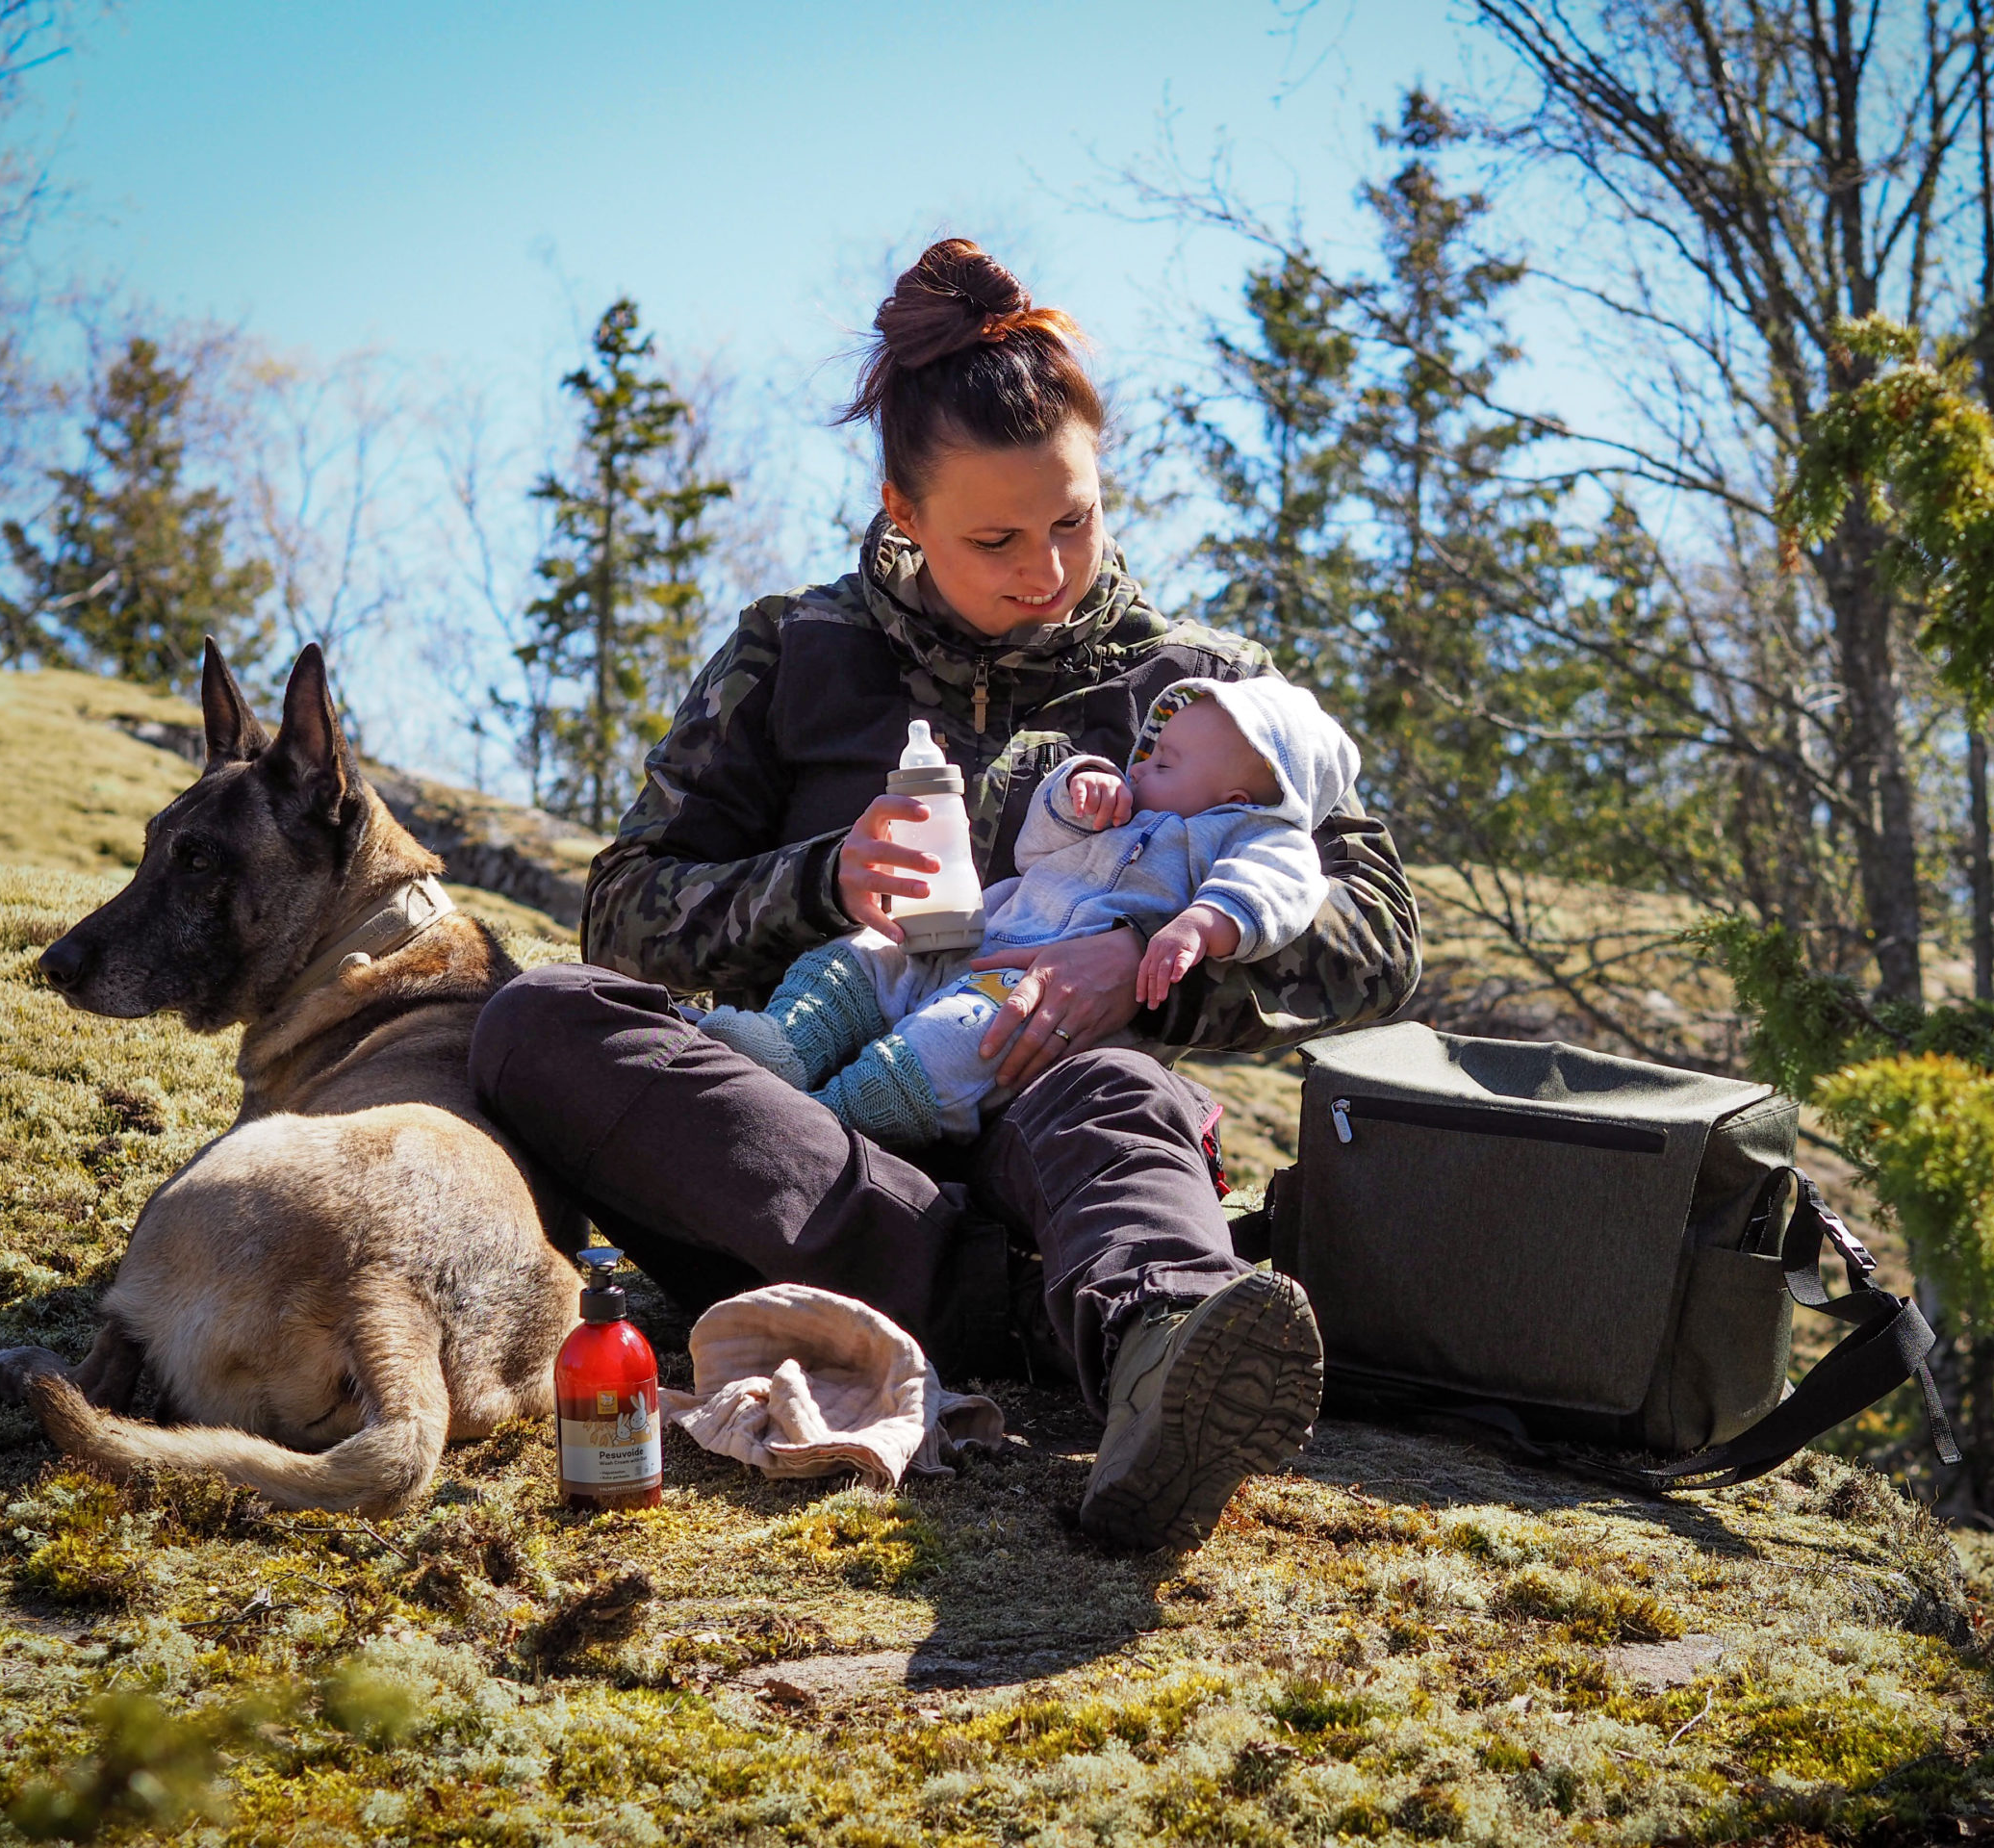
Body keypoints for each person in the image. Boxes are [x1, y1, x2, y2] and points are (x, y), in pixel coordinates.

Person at [469, 237, 1419, 1552]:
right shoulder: (793, 655)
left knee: (1120, 1091)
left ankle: (1162, 1359)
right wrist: (820, 881)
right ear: (902, 512)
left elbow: (1377, 931)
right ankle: (1016, 1315)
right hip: (805, 1159)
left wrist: (1148, 954)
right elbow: (625, 907)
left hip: (1061, 1159)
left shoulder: (1208, 692)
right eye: (995, 538)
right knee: (539, 1021)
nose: (1046, 569)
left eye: (1073, 520)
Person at [686, 673, 1361, 1147]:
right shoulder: (1126, 809)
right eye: (1149, 752)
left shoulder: (1250, 837)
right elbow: (1039, 848)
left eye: (1168, 762)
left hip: (1034, 992)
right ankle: (785, 1044)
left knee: (961, 1039)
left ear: (1237, 799)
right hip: (977, 936)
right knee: (867, 954)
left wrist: (1203, 923)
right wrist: (1077, 793)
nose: (1142, 766)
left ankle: (828, 1121)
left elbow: (1283, 886)